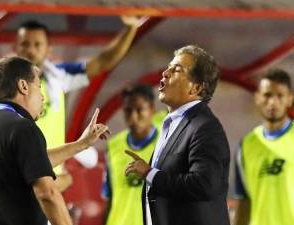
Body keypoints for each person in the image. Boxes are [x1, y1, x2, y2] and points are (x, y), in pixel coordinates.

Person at [0, 57, 109, 225]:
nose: (43, 96)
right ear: (23, 86)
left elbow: (34, 161)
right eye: (38, 86)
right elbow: (47, 194)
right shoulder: (22, 127)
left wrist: (81, 144)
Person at [15, 16, 142, 191]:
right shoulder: (2, 85)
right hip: (20, 178)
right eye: (25, 44)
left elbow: (102, 62)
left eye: (37, 44)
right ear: (15, 47)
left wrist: (131, 27)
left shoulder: (58, 77)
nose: (30, 50)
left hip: (52, 178)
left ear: (48, 50)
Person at [124, 45, 230, 225]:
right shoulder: (174, 124)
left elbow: (204, 184)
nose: (165, 72)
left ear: (195, 88)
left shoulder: (205, 127)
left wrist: (150, 174)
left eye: (177, 70)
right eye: (168, 67)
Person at [232, 69, 294, 225]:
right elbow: (244, 202)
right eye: (267, 95)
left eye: (279, 96)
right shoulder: (246, 145)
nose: (272, 102)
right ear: (257, 98)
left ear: (289, 99)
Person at [102, 84, 165, 225]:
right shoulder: (114, 146)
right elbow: (111, 197)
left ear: (152, 110)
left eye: (139, 110)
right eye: (128, 111)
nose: (133, 117)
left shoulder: (167, 142)